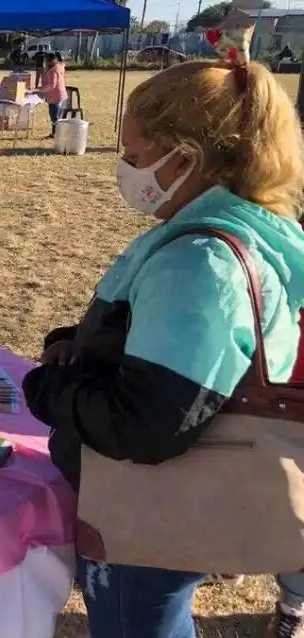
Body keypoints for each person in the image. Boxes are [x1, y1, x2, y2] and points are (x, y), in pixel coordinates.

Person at [21, 58, 304, 638]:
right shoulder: (232, 227)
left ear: (186, 158)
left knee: (136, 622)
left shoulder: (201, 261)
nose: (125, 169)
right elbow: (178, 345)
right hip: (176, 501)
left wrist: (48, 392)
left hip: (150, 513)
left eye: (133, 154)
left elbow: (145, 424)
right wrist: (80, 343)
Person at [29, 52, 67, 138]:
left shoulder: (53, 71)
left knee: (55, 117)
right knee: (56, 117)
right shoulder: (58, 67)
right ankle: (55, 134)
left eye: (46, 60)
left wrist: (37, 90)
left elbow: (50, 86)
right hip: (59, 95)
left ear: (50, 61)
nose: (44, 62)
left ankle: (58, 134)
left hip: (55, 97)